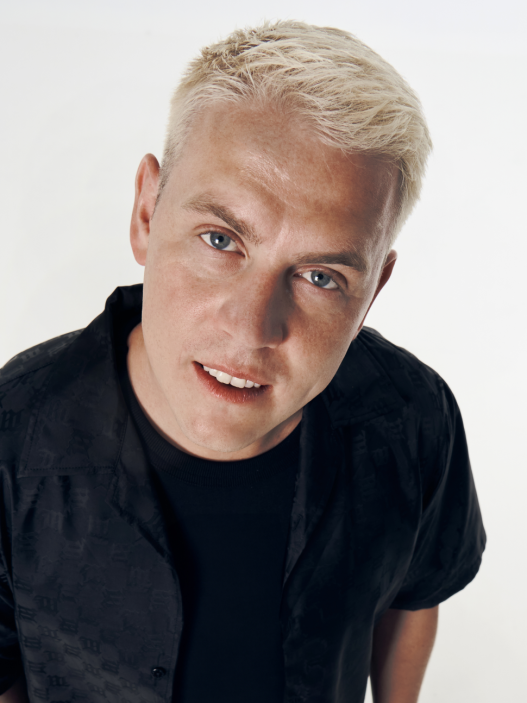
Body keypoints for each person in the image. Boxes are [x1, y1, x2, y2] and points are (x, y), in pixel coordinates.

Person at [0, 20, 485, 703]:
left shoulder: (411, 417)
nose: (252, 329)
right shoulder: (12, 436)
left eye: (320, 277)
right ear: (147, 212)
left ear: (372, 290)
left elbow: (416, 591)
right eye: (221, 239)